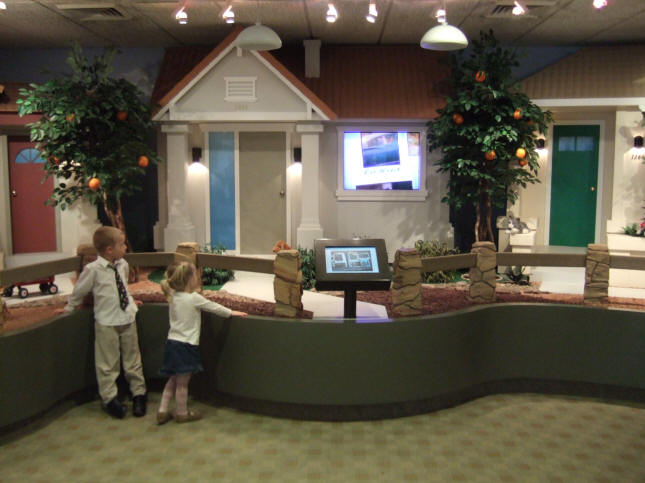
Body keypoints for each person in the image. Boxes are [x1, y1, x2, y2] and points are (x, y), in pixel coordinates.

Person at [61, 226, 147, 419]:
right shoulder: (93, 270)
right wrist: (69, 308)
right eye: (122, 244)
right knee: (107, 363)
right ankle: (110, 398)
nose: (125, 247)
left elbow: (123, 287)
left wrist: (130, 301)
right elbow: (79, 291)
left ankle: (139, 393)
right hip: (107, 322)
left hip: (127, 317)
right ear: (109, 249)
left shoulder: (123, 265)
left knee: (133, 359)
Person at [157, 261, 247, 424]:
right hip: (186, 346)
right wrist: (231, 312)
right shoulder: (193, 298)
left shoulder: (173, 295)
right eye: (195, 274)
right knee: (183, 383)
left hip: (172, 343)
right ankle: (182, 413)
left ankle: (162, 411)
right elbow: (213, 307)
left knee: (172, 380)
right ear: (189, 279)